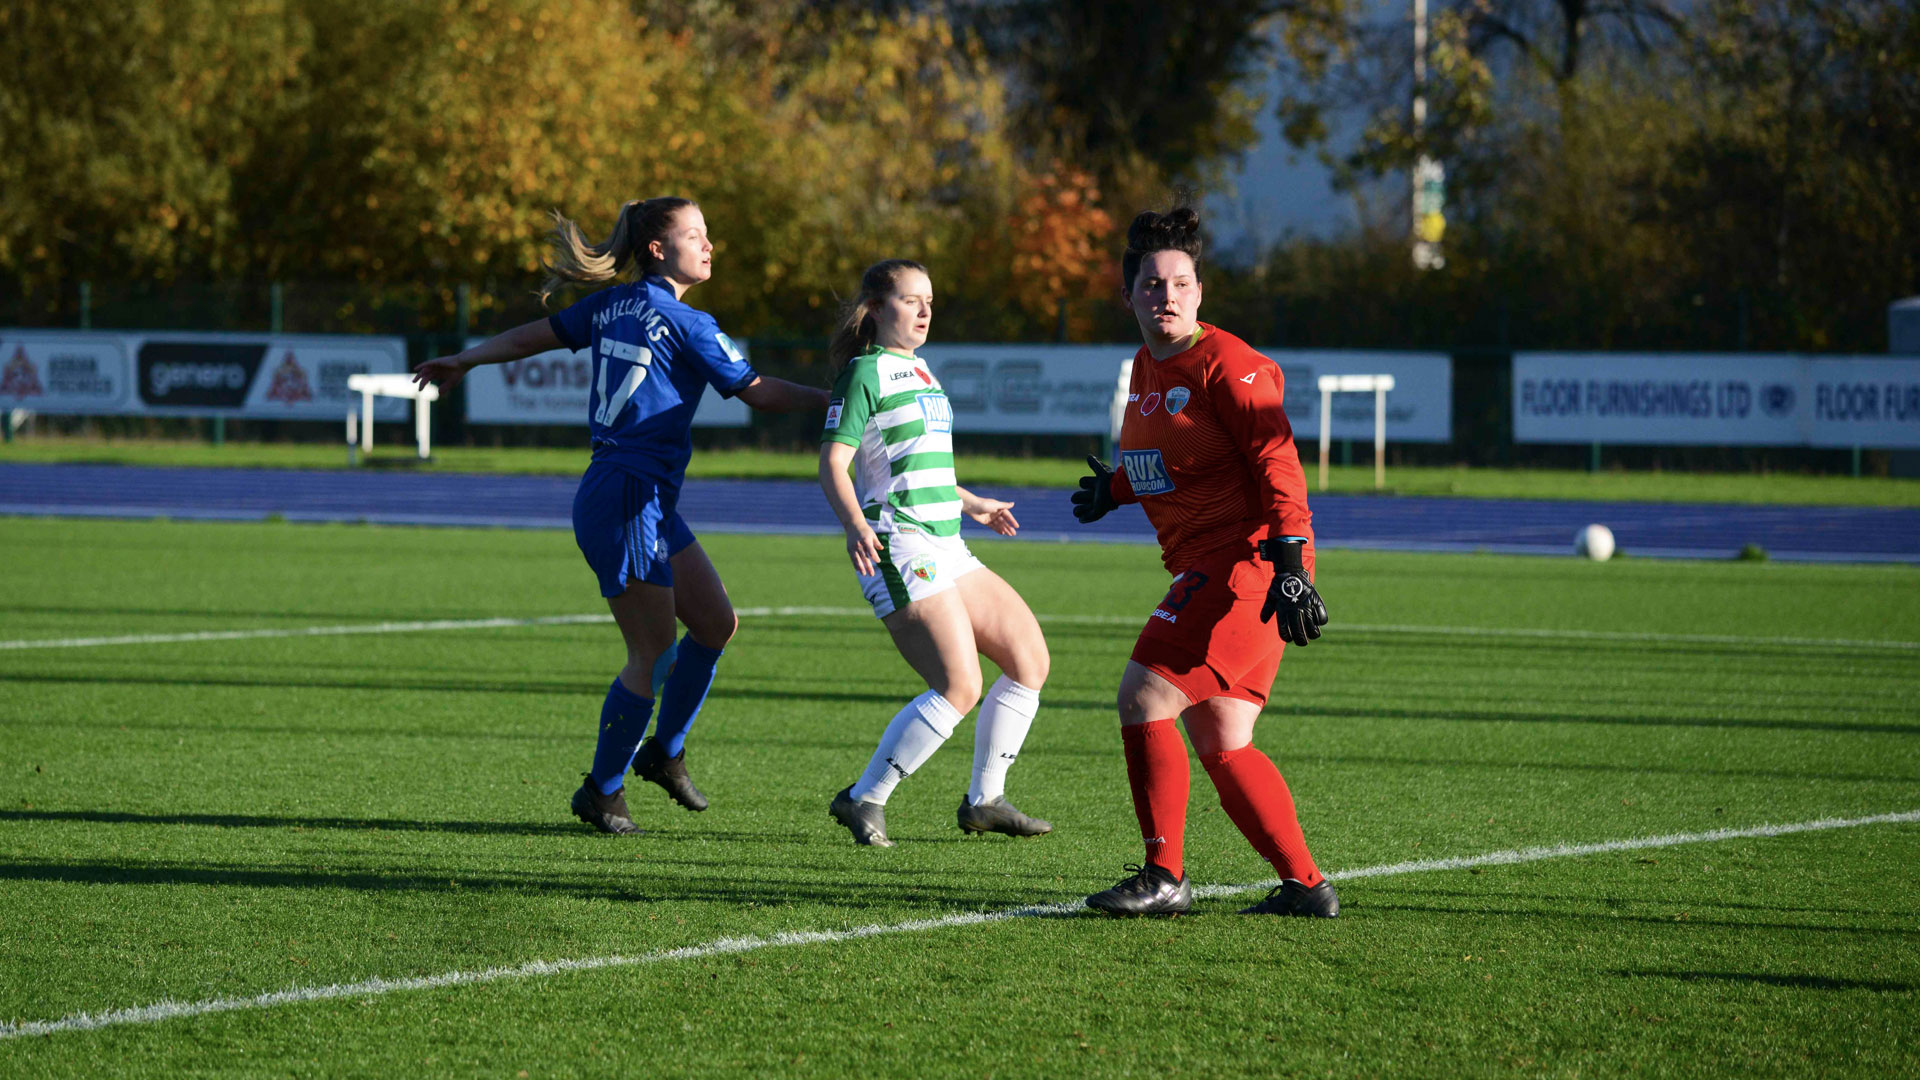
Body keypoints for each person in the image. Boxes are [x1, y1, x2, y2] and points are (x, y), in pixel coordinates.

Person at [413, 197, 828, 835]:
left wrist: (466, 358)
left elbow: (533, 335)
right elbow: (760, 392)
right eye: (697, 234)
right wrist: (839, 400)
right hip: (628, 494)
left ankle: (664, 752)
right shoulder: (687, 322)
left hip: (642, 496)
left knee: (716, 623)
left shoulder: (613, 306)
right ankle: (602, 791)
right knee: (652, 650)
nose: (710, 245)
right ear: (659, 249)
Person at [1070, 205, 1335, 916]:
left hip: (1248, 567)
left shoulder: (1232, 364)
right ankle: (1306, 887)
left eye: (1180, 283)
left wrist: (1290, 566)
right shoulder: (1145, 368)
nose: (1167, 295)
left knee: (1143, 695)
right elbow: (1176, 462)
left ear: (1199, 291)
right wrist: (1116, 490)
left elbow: (1279, 466)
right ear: (1129, 296)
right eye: (1152, 285)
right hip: (1206, 564)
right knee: (1222, 736)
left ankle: (1164, 877)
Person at [817, 259, 1053, 847]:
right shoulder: (864, 373)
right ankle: (864, 798)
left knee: (1029, 661)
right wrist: (853, 524)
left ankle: (985, 801)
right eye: (910, 299)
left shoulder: (922, 370)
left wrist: (970, 502)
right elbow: (833, 464)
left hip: (948, 541)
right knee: (960, 685)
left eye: (929, 299)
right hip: (899, 545)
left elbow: (920, 468)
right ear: (875, 310)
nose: (924, 310)